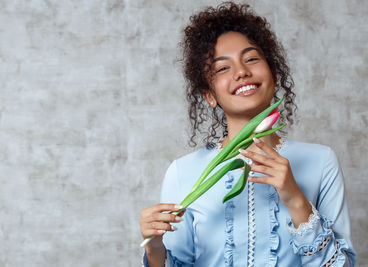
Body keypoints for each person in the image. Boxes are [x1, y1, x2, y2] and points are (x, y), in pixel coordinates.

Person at [139, 2, 357, 266]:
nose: (241, 72)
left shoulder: (321, 161)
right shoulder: (183, 172)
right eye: (222, 68)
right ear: (209, 95)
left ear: (274, 75)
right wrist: (154, 248)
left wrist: (295, 198)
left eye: (252, 58)